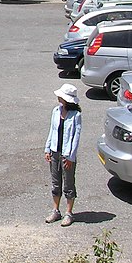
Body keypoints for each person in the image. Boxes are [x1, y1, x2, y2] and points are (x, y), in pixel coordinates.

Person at [44, 83, 82, 226]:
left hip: (67, 155)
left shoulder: (76, 115)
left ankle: (69, 213)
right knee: (55, 183)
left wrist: (70, 157)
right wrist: (47, 149)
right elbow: (52, 131)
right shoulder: (55, 111)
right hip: (55, 151)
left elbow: (75, 137)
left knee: (69, 184)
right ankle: (55, 211)